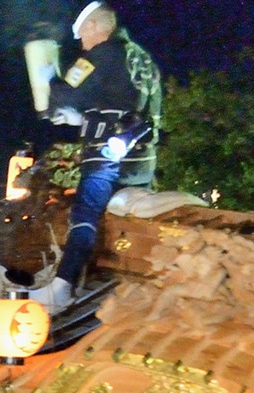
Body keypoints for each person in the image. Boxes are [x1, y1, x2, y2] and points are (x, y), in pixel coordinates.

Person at [30, 3, 161, 312]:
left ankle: (62, 289)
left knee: (84, 216)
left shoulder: (103, 54)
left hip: (107, 157)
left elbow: (64, 90)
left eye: (82, 35)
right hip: (141, 159)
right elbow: (128, 106)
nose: (81, 44)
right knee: (126, 222)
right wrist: (78, 119)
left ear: (94, 27)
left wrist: (46, 78)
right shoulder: (141, 58)